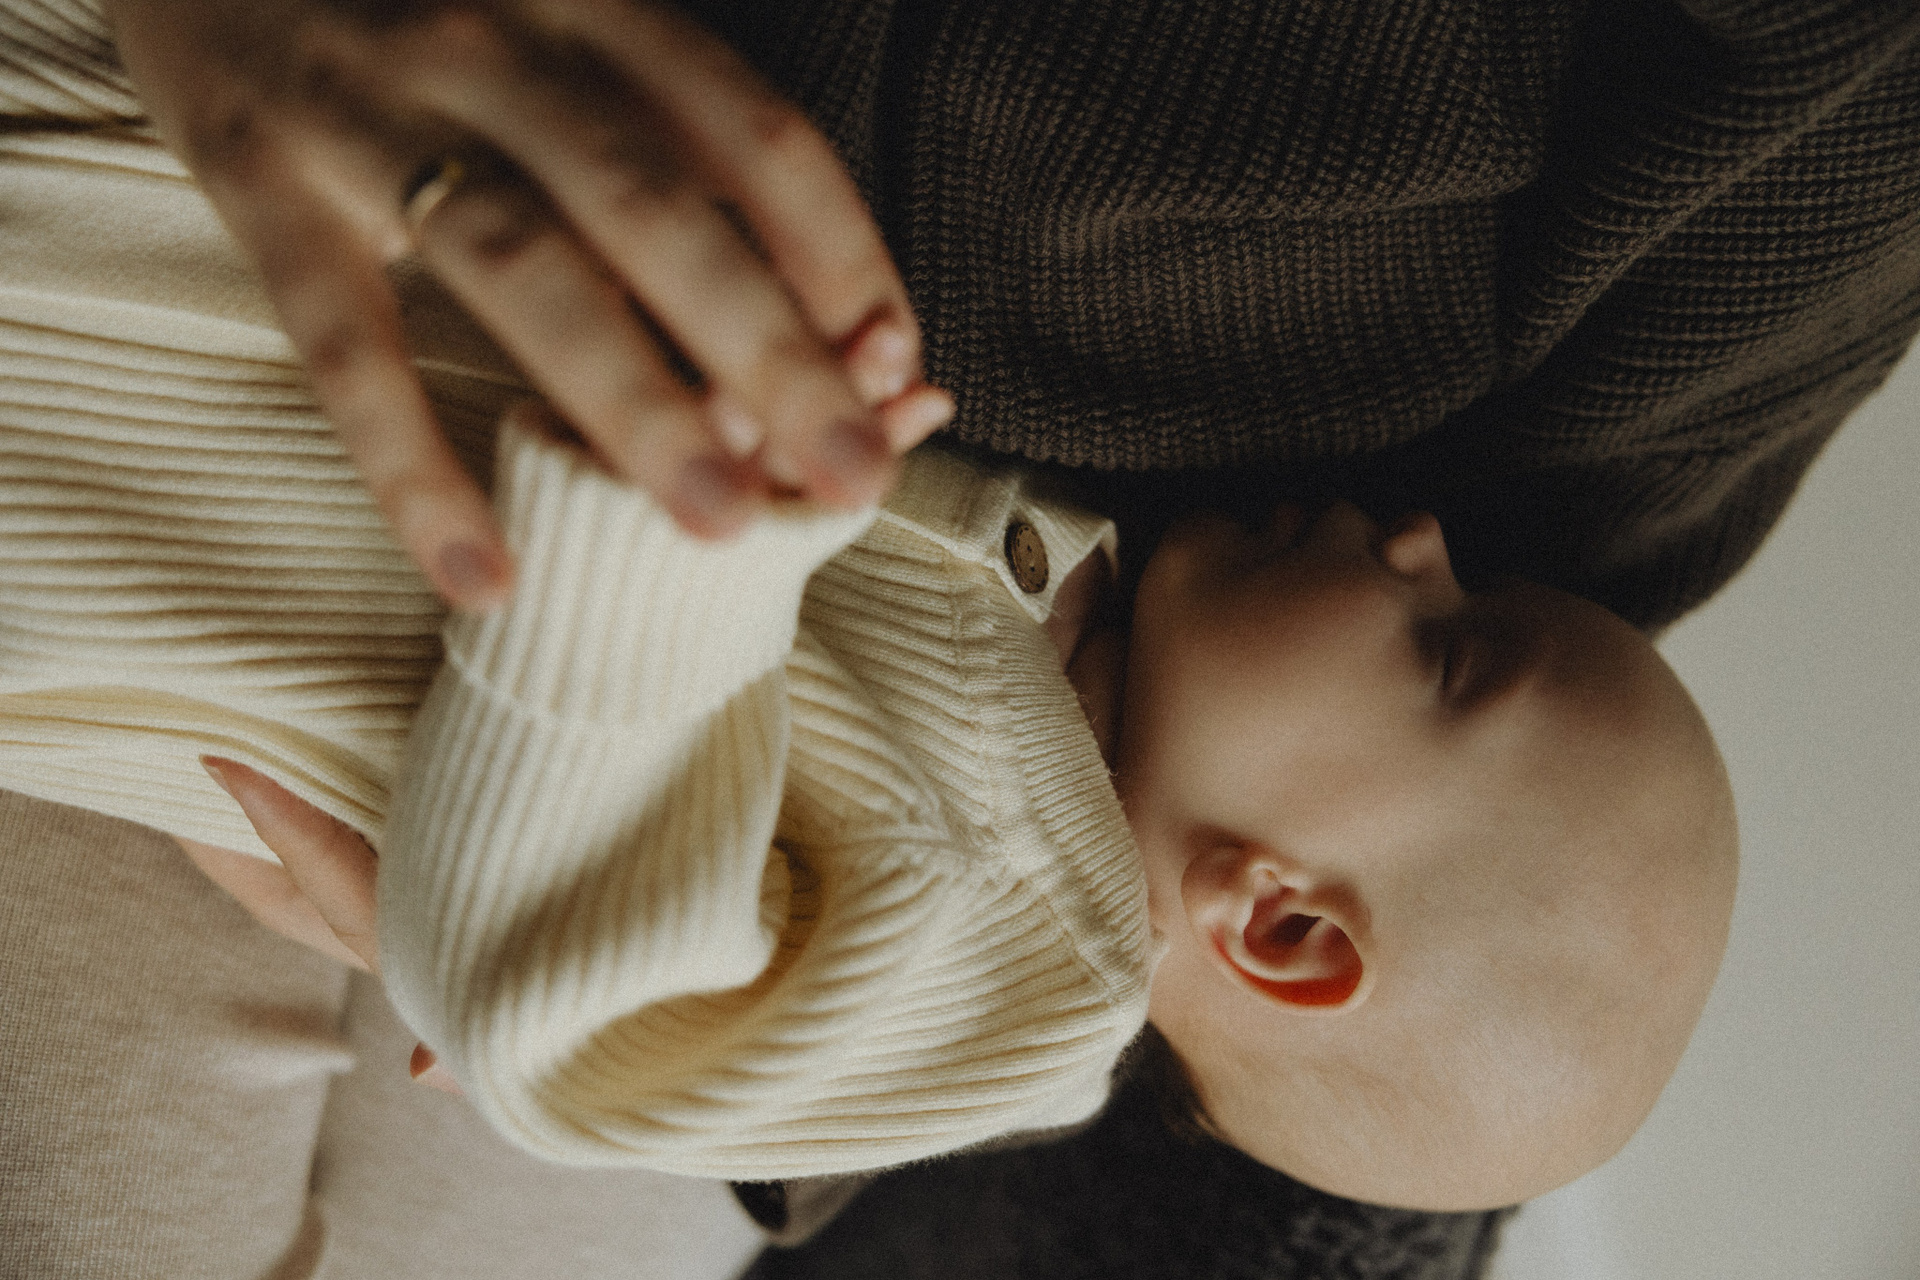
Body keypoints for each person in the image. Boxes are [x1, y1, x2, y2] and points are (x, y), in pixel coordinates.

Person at [4, 358, 1738, 1212]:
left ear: (1278, 925)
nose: (1424, 537)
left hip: (111, 513)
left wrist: (692, 489)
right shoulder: (1089, 574)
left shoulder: (1007, 990)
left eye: (1449, 646)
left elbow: (555, 1017)